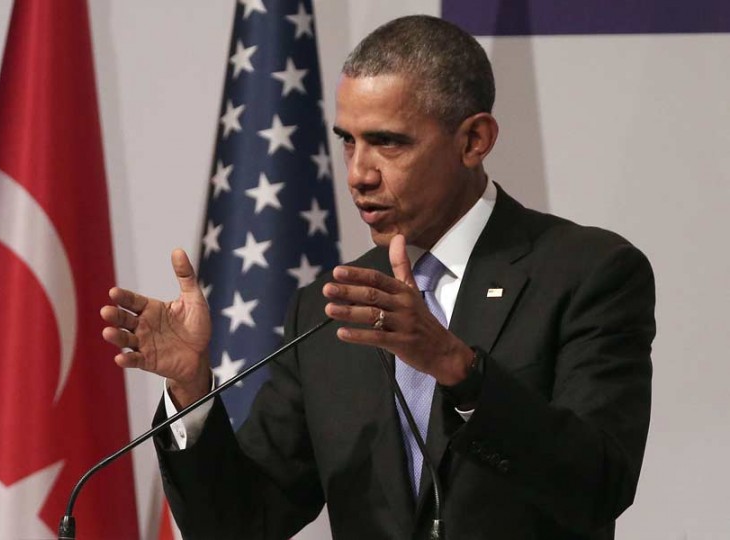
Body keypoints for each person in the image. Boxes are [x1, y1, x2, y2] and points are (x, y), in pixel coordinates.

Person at [101, 15, 655, 540]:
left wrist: (458, 370)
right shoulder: (329, 308)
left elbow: (598, 485)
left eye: (389, 142)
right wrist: (192, 391)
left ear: (474, 140)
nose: (359, 174)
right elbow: (240, 525)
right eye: (349, 140)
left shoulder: (587, 273)